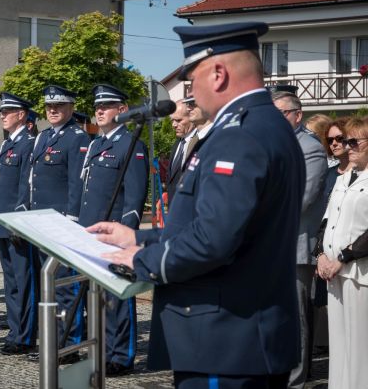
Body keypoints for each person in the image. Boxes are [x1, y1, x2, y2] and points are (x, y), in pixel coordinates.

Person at [93, 22, 305, 387]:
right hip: (242, 337)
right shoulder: (267, 124)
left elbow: (212, 241)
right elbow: (224, 225)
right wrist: (140, 238)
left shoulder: (238, 135)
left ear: (218, 74)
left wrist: (140, 261)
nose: (188, 94)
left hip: (225, 340)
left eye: (191, 82)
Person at [79, 84, 149, 376]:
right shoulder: (96, 143)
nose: (99, 110)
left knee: (117, 298)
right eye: (97, 106)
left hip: (114, 235)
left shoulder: (131, 144)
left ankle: (121, 355)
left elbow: (134, 199)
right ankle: (103, 351)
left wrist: (127, 238)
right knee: (96, 297)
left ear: (122, 110)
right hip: (89, 231)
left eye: (106, 105)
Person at [26, 85, 90, 359]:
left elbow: (77, 182)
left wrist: (72, 220)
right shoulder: (41, 137)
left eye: (59, 106)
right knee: (47, 286)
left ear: (71, 108)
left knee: (65, 287)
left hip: (62, 222)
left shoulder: (76, 137)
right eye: (49, 107)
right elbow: (35, 181)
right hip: (41, 221)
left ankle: (68, 343)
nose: (53, 110)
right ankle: (52, 340)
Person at [272, 90, 328, 389]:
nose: (276, 119)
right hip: (269, 246)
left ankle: (294, 380)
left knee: (295, 319)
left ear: (297, 114)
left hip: (293, 245)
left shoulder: (309, 148)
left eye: (282, 112)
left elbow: (300, 200)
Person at [315, 117, 368, 388]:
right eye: (346, 141)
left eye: (354, 141)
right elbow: (326, 221)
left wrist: (344, 257)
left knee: (359, 343)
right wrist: (321, 256)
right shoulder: (343, 177)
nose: (348, 147)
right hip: (333, 272)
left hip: (359, 273)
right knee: (339, 341)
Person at [0, 92, 38, 355]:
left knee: (23, 281)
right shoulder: (7, 145)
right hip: (2, 221)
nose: (2, 116)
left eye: (7, 112)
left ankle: (24, 336)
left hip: (16, 223)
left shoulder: (28, 144)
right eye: (2, 112)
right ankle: (14, 331)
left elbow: (25, 186)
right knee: (10, 282)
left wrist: (20, 221)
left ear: (21, 115)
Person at [166, 99, 194, 202]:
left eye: (178, 120)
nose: (173, 125)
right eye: (172, 120)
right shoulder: (178, 143)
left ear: (191, 117)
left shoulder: (200, 142)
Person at [324, 117, 352, 199]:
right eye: (330, 140)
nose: (334, 143)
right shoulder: (327, 174)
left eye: (339, 138)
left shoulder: (361, 173)